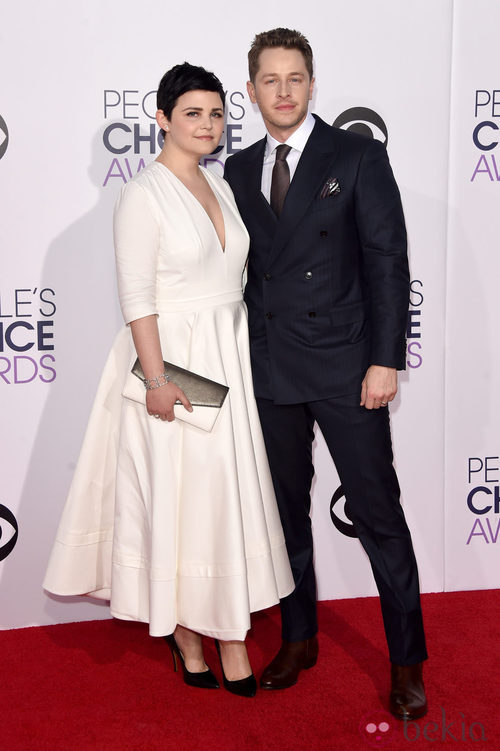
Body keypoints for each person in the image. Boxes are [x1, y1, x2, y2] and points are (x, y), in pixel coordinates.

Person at [44, 62, 294, 698]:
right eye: (192, 114)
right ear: (161, 119)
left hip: (227, 355)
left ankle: (229, 633)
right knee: (181, 498)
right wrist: (155, 379)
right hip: (173, 362)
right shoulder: (140, 194)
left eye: (216, 114)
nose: (208, 125)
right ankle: (189, 635)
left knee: (221, 501)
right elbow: (137, 298)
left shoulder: (224, 186)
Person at [224, 28, 428, 719]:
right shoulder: (237, 169)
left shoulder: (359, 156)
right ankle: (299, 637)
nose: (283, 91)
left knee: (379, 514)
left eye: (295, 78)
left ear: (312, 85)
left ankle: (406, 662)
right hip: (273, 369)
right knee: (284, 518)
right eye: (270, 80)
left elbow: (387, 263)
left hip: (348, 368)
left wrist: (386, 357)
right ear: (250, 91)